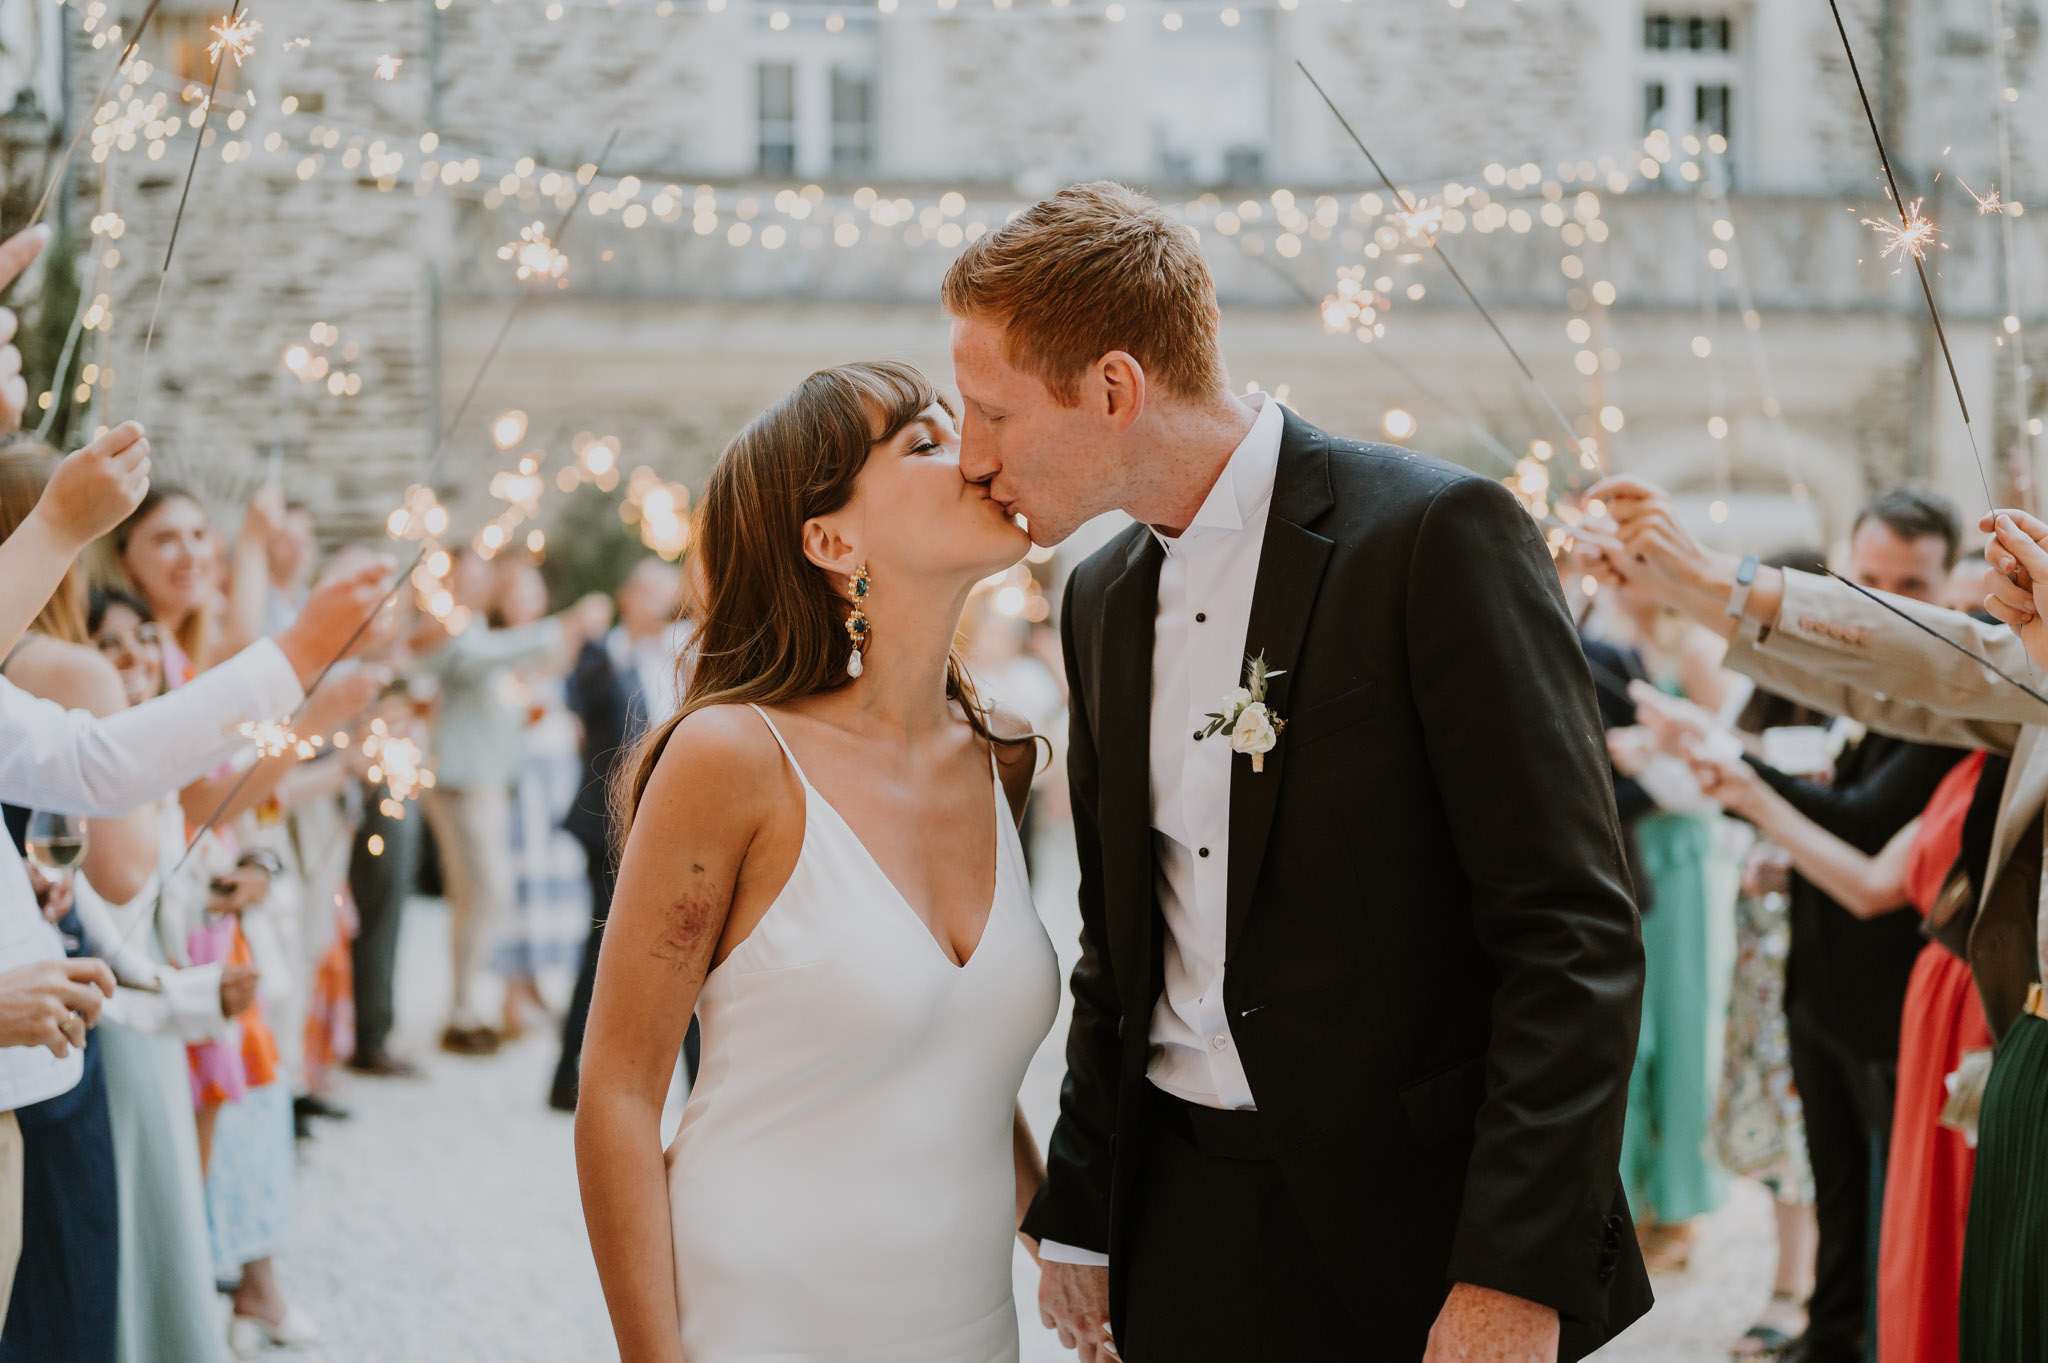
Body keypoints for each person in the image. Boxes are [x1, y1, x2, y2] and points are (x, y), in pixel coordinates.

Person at [947, 182, 1650, 1362]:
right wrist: (1081, 1210)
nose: (973, 457)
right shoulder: (1097, 595)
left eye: (991, 413)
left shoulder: (1433, 537)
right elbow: (1121, 941)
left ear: (1113, 388)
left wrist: (1511, 1272)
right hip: (1179, 1225)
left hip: (1413, 1237)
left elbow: (1571, 933)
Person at [576, 362, 1057, 1363]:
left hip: (966, 1322)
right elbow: (619, 1089)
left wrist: (1063, 1245)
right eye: (922, 444)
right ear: (832, 542)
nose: (973, 455)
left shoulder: (1000, 756)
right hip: (759, 1314)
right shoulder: (731, 758)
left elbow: (952, 1054)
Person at [1589, 485, 2048, 1363]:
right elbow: (1915, 663)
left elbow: (1873, 835)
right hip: (1976, 1017)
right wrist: (1694, 584)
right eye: (1867, 573)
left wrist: (1737, 775)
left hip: (1946, 996)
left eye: (1906, 577)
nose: (1888, 592)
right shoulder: (2005, 663)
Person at [415, 550, 610, 1055]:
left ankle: (467, 1007)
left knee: (478, 898)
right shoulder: (452, 630)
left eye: (482, 577)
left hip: (486, 780)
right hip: (461, 781)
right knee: (487, 893)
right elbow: (480, 660)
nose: (478, 585)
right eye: (469, 576)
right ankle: (467, 1007)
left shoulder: (474, 628)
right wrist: (561, 626)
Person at [552, 556, 684, 1112]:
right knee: (602, 946)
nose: (663, 605)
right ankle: (567, 1078)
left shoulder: (681, 654)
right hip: (606, 826)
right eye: (651, 594)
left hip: (668, 820)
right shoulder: (602, 654)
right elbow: (575, 699)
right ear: (629, 596)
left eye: (669, 594)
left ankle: (695, 1083)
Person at [492, 556, 591, 1040]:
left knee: (554, 881)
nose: (523, 602)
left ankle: (533, 987)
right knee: (519, 884)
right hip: (522, 783)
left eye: (530, 592)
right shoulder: (501, 650)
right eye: (513, 593)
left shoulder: (553, 649)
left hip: (555, 779)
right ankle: (512, 994)